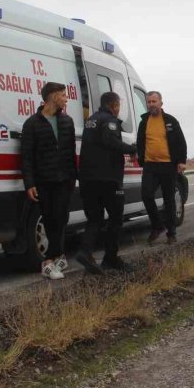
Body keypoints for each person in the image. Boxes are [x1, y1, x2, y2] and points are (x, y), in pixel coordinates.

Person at [75, 91, 137, 273]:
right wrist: (132, 148)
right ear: (114, 105)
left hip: (88, 179)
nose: (119, 109)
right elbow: (110, 141)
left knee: (95, 219)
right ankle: (111, 258)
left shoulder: (91, 120)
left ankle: (85, 252)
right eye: (118, 105)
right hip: (107, 179)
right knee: (116, 218)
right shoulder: (108, 121)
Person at [21, 82, 77, 280]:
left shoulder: (67, 121)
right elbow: (26, 156)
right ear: (53, 97)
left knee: (61, 219)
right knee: (50, 219)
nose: (65, 98)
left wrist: (73, 177)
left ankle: (58, 257)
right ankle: (47, 263)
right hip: (44, 181)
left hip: (65, 180)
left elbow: (71, 152)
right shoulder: (32, 124)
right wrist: (29, 183)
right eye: (63, 95)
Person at [136, 91, 187, 245]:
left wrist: (181, 161)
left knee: (169, 199)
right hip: (150, 165)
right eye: (149, 102)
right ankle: (157, 226)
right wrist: (141, 158)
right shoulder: (144, 122)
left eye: (154, 101)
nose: (151, 104)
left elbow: (180, 142)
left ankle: (171, 232)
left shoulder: (171, 121)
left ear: (161, 103)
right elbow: (140, 142)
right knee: (146, 195)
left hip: (168, 166)